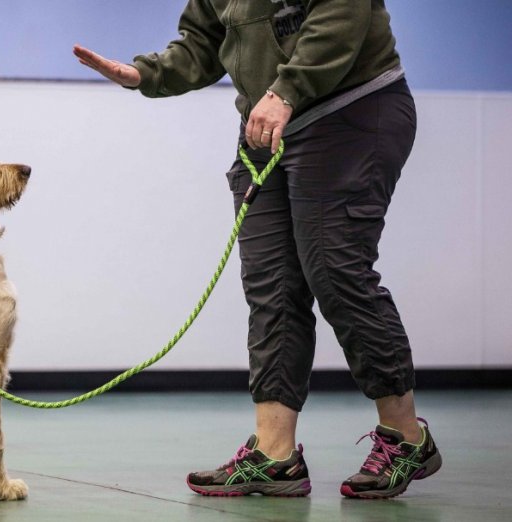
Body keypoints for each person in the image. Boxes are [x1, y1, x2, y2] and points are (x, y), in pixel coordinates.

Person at [74, 0, 441, 499]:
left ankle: (406, 437)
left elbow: (343, 14)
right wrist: (146, 73)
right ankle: (275, 455)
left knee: (335, 270)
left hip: (350, 110)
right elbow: (204, 41)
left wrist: (285, 90)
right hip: (269, 129)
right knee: (272, 287)